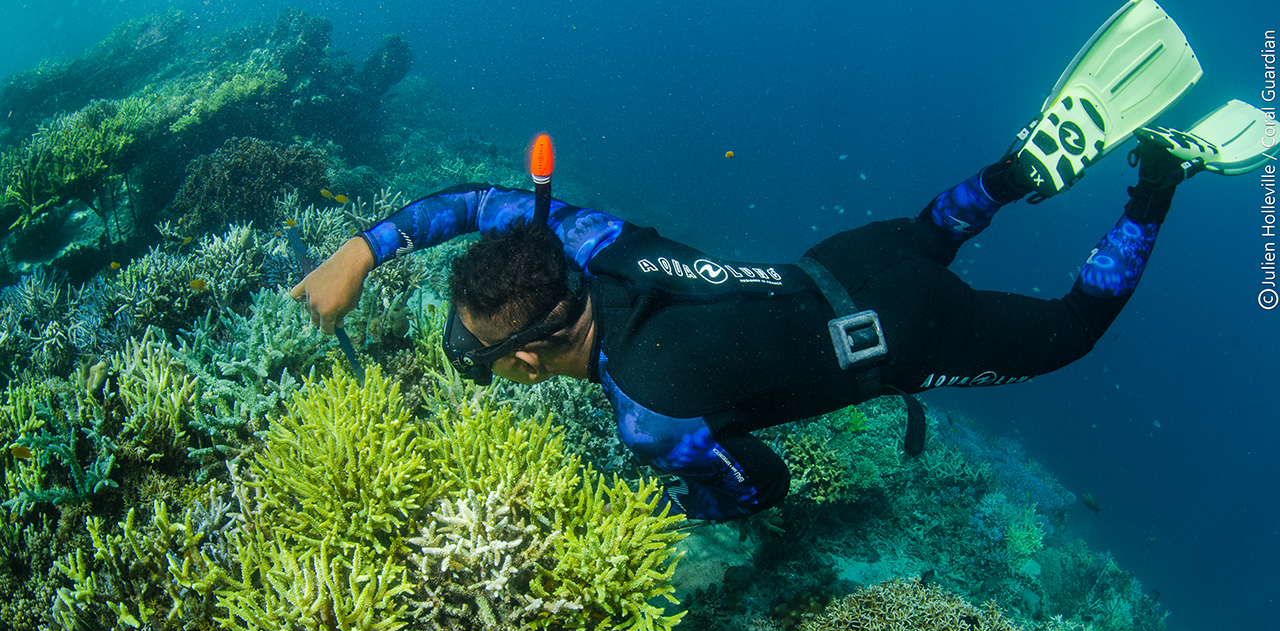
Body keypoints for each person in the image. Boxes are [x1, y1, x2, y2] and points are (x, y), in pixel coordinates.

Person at [292, 0, 1268, 523]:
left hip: (901, 337)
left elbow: (763, 484)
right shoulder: (586, 240)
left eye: (480, 354)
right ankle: (1013, 171)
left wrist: (686, 503)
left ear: (532, 350)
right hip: (848, 260)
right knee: (933, 229)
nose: (482, 364)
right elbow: (473, 203)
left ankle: (1155, 180)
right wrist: (361, 251)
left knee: (1070, 330)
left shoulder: (648, 410)